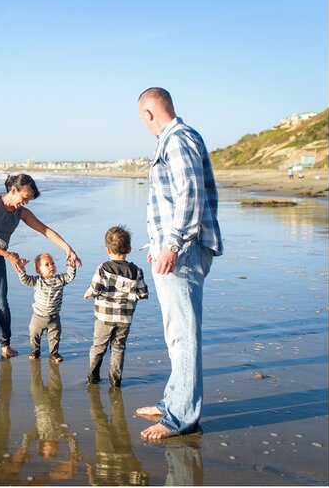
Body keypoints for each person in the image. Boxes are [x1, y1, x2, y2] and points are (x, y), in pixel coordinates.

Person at [136, 87, 223, 440]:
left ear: (148, 113)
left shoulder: (177, 140)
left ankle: (181, 418)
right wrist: (156, 244)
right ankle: (173, 401)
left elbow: (190, 195)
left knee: (183, 333)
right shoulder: (173, 141)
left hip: (183, 252)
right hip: (173, 249)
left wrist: (171, 244)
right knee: (176, 332)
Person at [0, 173, 81, 365]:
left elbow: (45, 230)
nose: (26, 202)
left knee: (2, 302)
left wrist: (68, 248)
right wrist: (8, 255)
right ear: (13, 190)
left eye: (29, 199)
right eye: (24, 197)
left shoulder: (21, 213)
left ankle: (5, 345)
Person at [84, 225, 148, 387]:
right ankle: (115, 380)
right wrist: (128, 295)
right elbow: (143, 294)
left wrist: (89, 292)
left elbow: (96, 288)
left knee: (99, 346)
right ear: (130, 249)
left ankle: (93, 377)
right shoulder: (136, 271)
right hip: (124, 319)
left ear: (107, 249)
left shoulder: (103, 269)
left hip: (104, 317)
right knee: (118, 348)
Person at [17, 253, 77, 362]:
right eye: (47, 265)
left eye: (53, 263)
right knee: (34, 334)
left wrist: (72, 267)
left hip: (54, 316)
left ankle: (54, 353)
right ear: (39, 271)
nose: (51, 266)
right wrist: (21, 270)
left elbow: (69, 277)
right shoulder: (36, 281)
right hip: (38, 316)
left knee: (55, 337)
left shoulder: (60, 279)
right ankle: (35, 351)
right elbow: (25, 280)